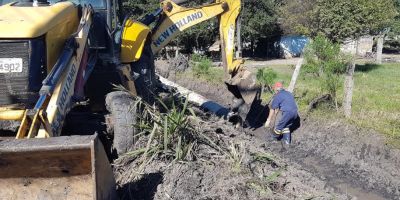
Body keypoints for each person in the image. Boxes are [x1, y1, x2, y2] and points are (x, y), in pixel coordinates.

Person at [265, 82, 299, 147]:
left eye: (274, 90)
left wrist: (268, 120)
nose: (274, 91)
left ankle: (272, 140)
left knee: (278, 127)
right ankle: (287, 143)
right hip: (295, 113)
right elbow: (282, 106)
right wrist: (276, 113)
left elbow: (272, 109)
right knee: (286, 127)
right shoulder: (288, 93)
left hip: (287, 113)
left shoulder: (278, 95)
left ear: (276, 89)